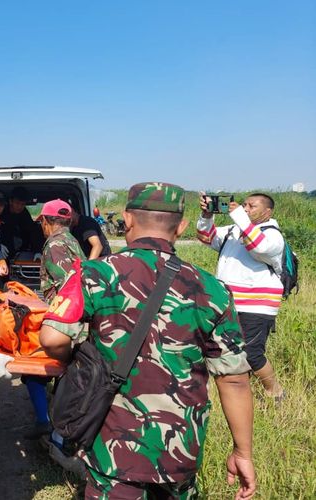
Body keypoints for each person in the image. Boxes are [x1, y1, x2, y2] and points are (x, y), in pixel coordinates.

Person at [40, 182, 256, 499]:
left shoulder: (92, 274)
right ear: (181, 227)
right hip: (179, 451)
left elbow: (52, 336)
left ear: (127, 220)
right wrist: (242, 453)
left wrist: (76, 358)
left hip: (113, 448)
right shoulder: (214, 289)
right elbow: (235, 379)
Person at [197, 192, 286, 400]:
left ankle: (276, 392)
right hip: (229, 302)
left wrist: (238, 216)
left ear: (267, 211)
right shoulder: (233, 230)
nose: (245, 209)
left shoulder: (273, 235)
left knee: (252, 353)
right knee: (226, 350)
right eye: (244, 205)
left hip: (257, 305)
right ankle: (240, 391)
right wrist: (206, 215)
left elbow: (259, 246)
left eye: (251, 206)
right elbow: (205, 236)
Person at [16, 199, 86, 440]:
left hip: (66, 321)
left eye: (42, 223)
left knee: (34, 368)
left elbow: (68, 288)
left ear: (46, 221)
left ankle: (46, 422)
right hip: (75, 318)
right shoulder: (71, 241)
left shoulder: (55, 245)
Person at [37, 199, 86, 302]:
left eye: (41, 221)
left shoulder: (54, 245)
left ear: (45, 221)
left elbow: (65, 286)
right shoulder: (70, 239)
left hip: (63, 310)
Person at [1, 186, 44, 258]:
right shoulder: (1, 212)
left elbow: (32, 230)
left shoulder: (24, 213)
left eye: (22, 204)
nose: (20, 207)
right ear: (10, 201)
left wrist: (38, 251)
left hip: (20, 248)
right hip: (3, 248)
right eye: (17, 203)